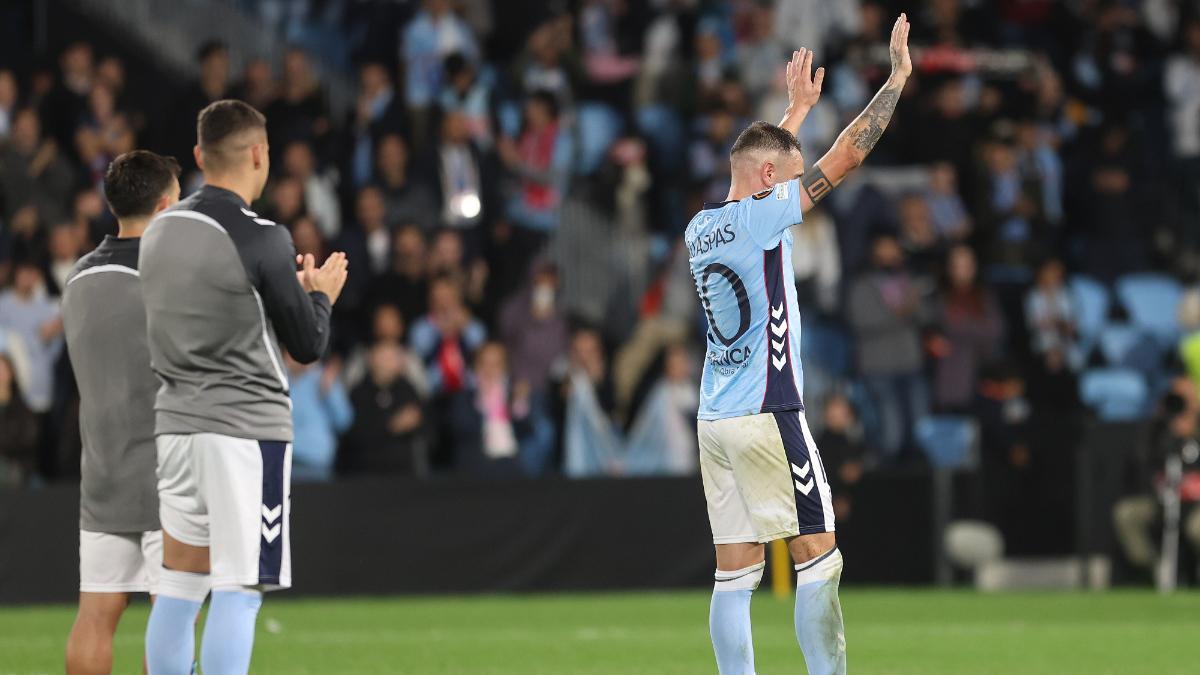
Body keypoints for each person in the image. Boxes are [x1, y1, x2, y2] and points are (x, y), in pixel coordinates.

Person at [685, 17, 911, 675]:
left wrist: (795, 112)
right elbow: (847, 156)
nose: (795, 187)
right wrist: (895, 81)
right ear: (767, 178)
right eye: (786, 177)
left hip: (715, 417)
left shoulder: (701, 227)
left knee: (734, 570)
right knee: (817, 552)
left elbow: (763, 164)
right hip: (768, 409)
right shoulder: (764, 216)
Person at [138, 100, 348, 675]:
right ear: (259, 154)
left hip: (175, 430)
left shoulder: (159, 231)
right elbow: (307, 344)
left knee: (180, 586)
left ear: (200, 155)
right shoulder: (262, 236)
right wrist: (320, 295)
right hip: (243, 434)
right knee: (241, 587)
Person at [61, 150, 180, 675]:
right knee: (173, 614)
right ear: (164, 206)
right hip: (167, 472)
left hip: (102, 472)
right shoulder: (166, 276)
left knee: (95, 614)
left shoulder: (78, 277)